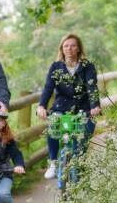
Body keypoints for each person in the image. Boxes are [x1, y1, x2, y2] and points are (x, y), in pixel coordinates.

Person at [36, 34, 101, 179]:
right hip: (61, 107)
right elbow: (48, 88)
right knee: (53, 125)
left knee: (83, 138)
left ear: (78, 48)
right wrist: (41, 106)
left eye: (73, 45)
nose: (69, 49)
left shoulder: (87, 66)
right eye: (66, 46)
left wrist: (95, 106)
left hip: (83, 108)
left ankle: (80, 163)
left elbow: (92, 88)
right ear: (62, 49)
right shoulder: (56, 67)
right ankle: (53, 162)